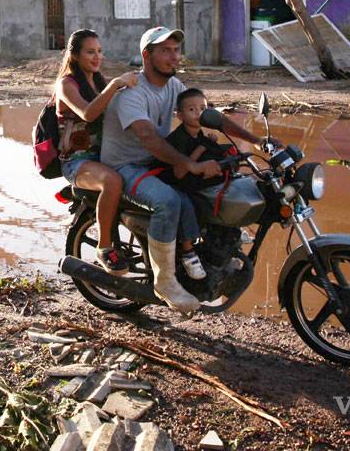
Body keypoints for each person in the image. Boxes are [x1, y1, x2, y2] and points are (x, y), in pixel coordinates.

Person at [100, 27, 253, 312]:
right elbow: (149, 137)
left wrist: (257, 140)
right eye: (165, 51)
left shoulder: (173, 86)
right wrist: (189, 163)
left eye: (176, 50)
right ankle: (165, 280)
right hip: (127, 166)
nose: (174, 57)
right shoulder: (131, 92)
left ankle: (211, 250)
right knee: (168, 201)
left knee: (217, 185)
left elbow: (209, 117)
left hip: (156, 161)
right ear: (147, 55)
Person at [54, 29, 139, 275]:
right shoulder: (66, 84)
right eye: (90, 52)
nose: (97, 57)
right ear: (75, 55)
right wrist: (115, 85)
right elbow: (88, 113)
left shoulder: (98, 81)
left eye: (100, 51)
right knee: (112, 181)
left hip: (105, 155)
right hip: (77, 161)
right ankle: (103, 247)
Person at [156, 87, 263, 223]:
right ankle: (188, 243)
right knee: (193, 208)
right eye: (191, 109)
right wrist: (202, 147)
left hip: (192, 179)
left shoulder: (198, 132)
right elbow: (179, 172)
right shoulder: (179, 137)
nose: (198, 113)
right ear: (180, 116)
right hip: (175, 183)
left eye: (202, 108)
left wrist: (208, 143)